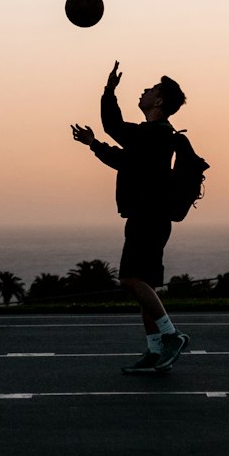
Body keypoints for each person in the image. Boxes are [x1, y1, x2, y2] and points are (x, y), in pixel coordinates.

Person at [71, 62, 190, 375]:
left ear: (159, 102)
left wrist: (109, 91)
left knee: (129, 279)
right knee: (144, 286)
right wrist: (93, 144)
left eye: (151, 90)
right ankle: (154, 353)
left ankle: (170, 335)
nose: (144, 91)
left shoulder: (155, 134)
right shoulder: (153, 138)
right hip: (151, 217)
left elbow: (114, 126)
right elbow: (122, 160)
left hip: (147, 218)